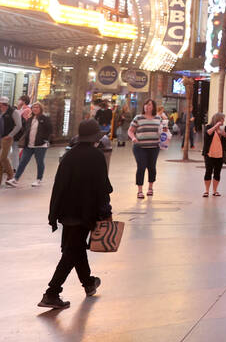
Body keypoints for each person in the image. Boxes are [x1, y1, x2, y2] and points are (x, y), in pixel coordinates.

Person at [40, 119, 110, 310]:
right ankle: (52, 293)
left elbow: (58, 186)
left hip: (66, 211)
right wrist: (106, 212)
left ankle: (88, 283)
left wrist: (53, 213)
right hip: (85, 212)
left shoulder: (68, 156)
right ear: (95, 138)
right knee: (71, 252)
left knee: (75, 248)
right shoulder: (97, 156)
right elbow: (102, 187)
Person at [127, 100, 164, 198]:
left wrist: (164, 135)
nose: (147, 107)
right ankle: (140, 190)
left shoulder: (158, 118)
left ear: (153, 107)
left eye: (149, 105)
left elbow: (162, 131)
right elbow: (130, 131)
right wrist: (133, 138)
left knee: (152, 167)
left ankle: (150, 188)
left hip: (154, 147)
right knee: (141, 167)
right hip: (140, 147)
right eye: (146, 105)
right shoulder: (138, 118)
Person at [14, 101, 52, 187]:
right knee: (23, 161)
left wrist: (45, 140)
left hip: (40, 145)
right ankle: (16, 179)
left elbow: (49, 131)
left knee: (39, 162)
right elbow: (26, 130)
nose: (35, 109)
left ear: (41, 109)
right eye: (34, 107)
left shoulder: (45, 118)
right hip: (29, 144)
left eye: (37, 107)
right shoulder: (30, 119)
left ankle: (39, 179)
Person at [202, 113, 226, 198]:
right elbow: (208, 133)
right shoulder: (208, 126)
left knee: (217, 172)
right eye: (222, 119)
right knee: (208, 172)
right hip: (209, 154)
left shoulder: (224, 129)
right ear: (217, 119)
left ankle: (215, 191)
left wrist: (224, 134)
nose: (223, 121)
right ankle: (206, 191)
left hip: (220, 154)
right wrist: (215, 127)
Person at [1, 96, 17, 187]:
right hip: (1, 137)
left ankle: (11, 176)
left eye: (2, 104)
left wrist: (10, 135)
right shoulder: (1, 112)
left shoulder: (13, 112)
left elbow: (18, 125)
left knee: (3, 157)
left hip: (7, 138)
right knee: (1, 158)